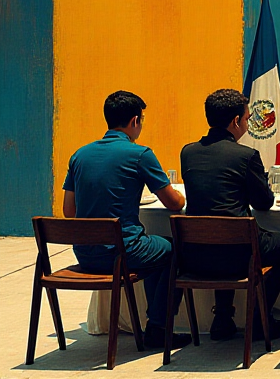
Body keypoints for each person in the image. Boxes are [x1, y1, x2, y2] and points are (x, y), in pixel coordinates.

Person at [61, 91, 190, 349]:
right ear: (134, 121)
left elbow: (68, 211)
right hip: (124, 252)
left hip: (85, 253)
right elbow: (173, 203)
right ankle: (158, 326)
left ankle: (155, 323)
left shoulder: (79, 155)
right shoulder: (139, 154)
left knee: (158, 250)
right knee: (176, 249)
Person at [179, 89, 280, 341]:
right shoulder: (246, 156)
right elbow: (264, 202)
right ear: (235, 122)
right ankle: (259, 319)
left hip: (194, 256)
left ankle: (222, 318)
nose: (247, 123)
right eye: (247, 118)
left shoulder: (188, 152)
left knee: (222, 232)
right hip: (238, 257)